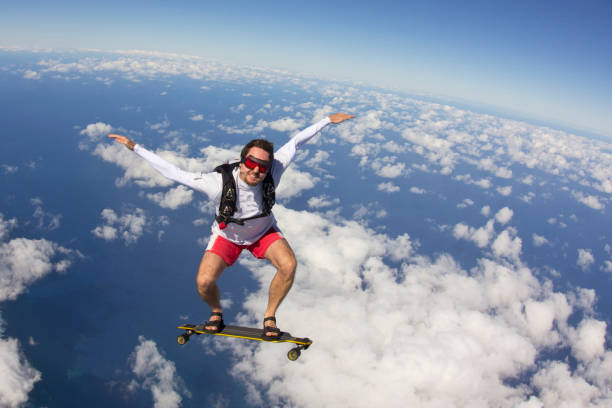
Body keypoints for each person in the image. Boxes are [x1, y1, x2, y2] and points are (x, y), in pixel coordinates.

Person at [109, 112, 354, 339]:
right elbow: (174, 173)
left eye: (262, 167)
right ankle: (216, 311)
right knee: (204, 282)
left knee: (288, 265)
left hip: (263, 231)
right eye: (251, 163)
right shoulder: (216, 183)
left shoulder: (274, 169)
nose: (256, 170)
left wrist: (327, 120)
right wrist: (135, 147)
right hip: (228, 235)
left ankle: (269, 317)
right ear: (242, 159)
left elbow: (296, 142)